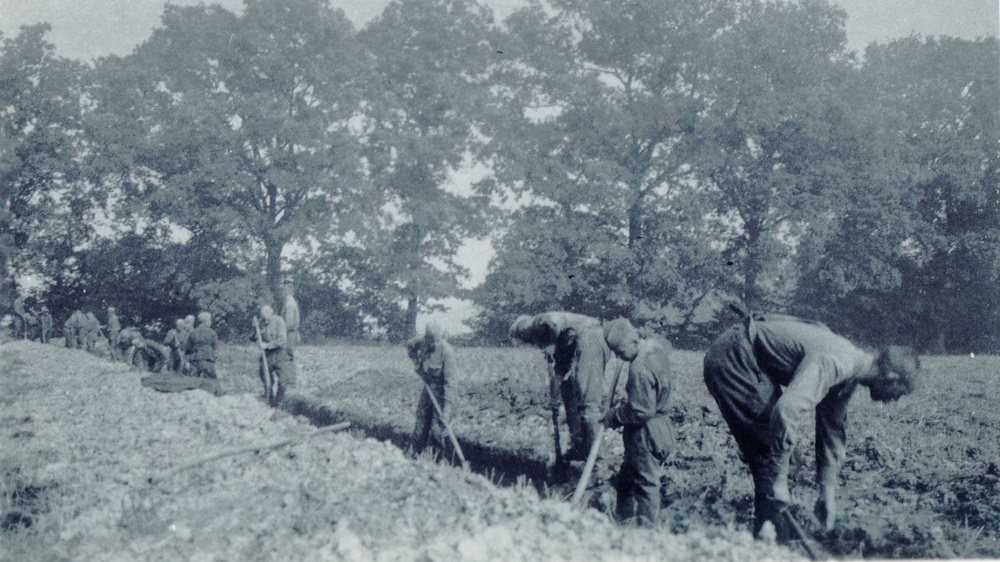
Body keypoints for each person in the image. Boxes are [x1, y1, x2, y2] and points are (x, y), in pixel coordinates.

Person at [703, 310, 920, 541]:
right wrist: (778, 481)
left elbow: (832, 432)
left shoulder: (850, 375)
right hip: (735, 355)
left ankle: (771, 535)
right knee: (770, 455)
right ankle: (772, 546)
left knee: (785, 458)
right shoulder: (839, 361)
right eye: (900, 392)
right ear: (891, 377)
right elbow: (787, 410)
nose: (895, 399)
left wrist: (827, 492)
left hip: (749, 356)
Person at [509, 311, 613, 461]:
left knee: (588, 401)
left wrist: (551, 344)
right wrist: (555, 397)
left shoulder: (537, 322)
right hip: (584, 341)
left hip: (591, 338)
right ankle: (578, 444)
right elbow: (559, 371)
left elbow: (553, 321)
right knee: (567, 389)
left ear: (524, 332)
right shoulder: (561, 342)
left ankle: (595, 453)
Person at [601, 318, 674, 527]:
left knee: (646, 485)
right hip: (662, 427)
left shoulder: (639, 368)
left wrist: (613, 416)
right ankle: (623, 522)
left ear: (632, 342)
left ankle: (646, 535)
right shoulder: (655, 349)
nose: (618, 356)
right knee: (626, 479)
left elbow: (641, 410)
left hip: (645, 432)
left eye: (619, 351)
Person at [406, 323, 457, 458]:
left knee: (437, 429)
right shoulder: (421, 341)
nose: (433, 343)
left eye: (436, 340)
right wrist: (416, 361)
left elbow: (450, 383)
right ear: (426, 337)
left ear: (440, 338)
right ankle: (415, 456)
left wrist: (447, 410)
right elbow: (409, 345)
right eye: (430, 340)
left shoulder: (446, 352)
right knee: (421, 424)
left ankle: (440, 461)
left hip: (441, 393)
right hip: (428, 389)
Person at [257, 304, 291, 405]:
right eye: (263, 313)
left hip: (279, 353)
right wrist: (255, 330)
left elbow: (282, 340)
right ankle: (270, 401)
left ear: (271, 311)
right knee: (266, 379)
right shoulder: (261, 323)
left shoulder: (279, 321)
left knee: (283, 381)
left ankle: (279, 402)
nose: (266, 315)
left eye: (267, 312)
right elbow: (254, 337)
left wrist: (267, 345)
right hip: (267, 355)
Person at [281, 279, 300, 387]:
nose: (284, 291)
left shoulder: (289, 304)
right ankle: (291, 381)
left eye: (287, 288)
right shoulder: (292, 302)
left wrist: (281, 334)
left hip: (289, 334)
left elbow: (289, 323)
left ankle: (290, 382)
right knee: (289, 357)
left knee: (287, 357)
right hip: (291, 333)